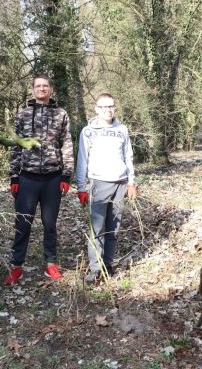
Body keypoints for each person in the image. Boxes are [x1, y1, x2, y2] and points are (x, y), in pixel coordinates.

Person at [4, 74, 74, 285]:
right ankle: (16, 266)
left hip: (53, 178)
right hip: (27, 179)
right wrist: (14, 176)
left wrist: (66, 175)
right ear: (33, 90)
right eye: (38, 86)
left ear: (51, 89)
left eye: (45, 86)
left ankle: (50, 264)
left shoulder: (61, 114)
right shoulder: (23, 114)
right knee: (22, 223)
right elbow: (16, 146)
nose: (42, 89)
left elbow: (67, 144)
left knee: (49, 223)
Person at [75, 93, 137, 283]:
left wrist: (131, 182)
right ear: (96, 109)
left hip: (120, 184)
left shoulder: (122, 130)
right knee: (97, 228)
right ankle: (95, 269)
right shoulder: (88, 131)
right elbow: (82, 160)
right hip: (98, 184)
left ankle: (107, 264)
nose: (108, 110)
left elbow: (128, 157)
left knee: (113, 228)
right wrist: (81, 187)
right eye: (104, 107)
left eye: (111, 106)